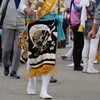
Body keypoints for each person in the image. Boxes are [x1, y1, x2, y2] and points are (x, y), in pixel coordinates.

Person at [19, 0, 65, 99]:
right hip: (34, 23)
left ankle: (44, 90)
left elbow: (60, 9)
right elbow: (21, 4)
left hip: (51, 25)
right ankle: (32, 79)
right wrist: (26, 9)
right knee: (33, 57)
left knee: (49, 58)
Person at [0, 0, 26, 79]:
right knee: (6, 48)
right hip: (8, 23)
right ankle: (6, 63)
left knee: (17, 48)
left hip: (20, 24)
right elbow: (1, 9)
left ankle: (14, 70)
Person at [81, 0, 100, 74]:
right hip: (95, 23)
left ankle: (85, 67)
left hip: (86, 21)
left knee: (86, 45)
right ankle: (90, 67)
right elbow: (98, 13)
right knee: (93, 44)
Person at [69, 0, 84, 71]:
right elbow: (79, 7)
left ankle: (78, 63)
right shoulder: (76, 1)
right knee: (78, 45)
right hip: (77, 23)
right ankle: (76, 64)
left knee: (80, 44)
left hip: (77, 23)